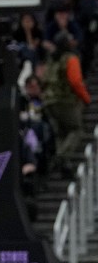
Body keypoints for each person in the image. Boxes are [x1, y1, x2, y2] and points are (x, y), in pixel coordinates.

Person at [43, 30, 91, 172]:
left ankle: (63, 165)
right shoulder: (71, 59)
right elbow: (75, 82)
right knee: (76, 130)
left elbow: (45, 79)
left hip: (49, 101)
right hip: (65, 101)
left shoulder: (52, 59)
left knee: (61, 133)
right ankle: (61, 157)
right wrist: (86, 98)